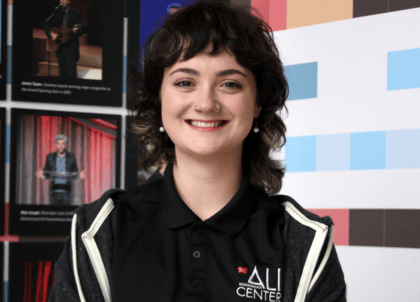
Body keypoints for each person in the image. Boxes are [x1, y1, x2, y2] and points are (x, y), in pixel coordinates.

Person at [48, 2, 346, 302]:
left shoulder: (305, 242)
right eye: (185, 82)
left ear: (258, 102)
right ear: (158, 98)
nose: (205, 103)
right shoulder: (100, 230)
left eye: (230, 84)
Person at [36, 134, 85, 205]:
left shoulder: (71, 157)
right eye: (58, 144)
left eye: (62, 144)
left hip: (67, 191)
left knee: (65, 214)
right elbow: (47, 174)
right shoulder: (50, 157)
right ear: (56, 144)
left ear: (65, 145)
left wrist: (80, 176)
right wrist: (42, 175)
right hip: (54, 191)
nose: (60, 146)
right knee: (54, 214)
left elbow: (75, 174)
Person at [43, 0, 84, 78]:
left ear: (68, 1)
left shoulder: (75, 13)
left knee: (71, 74)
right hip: (59, 46)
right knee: (62, 74)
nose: (61, 1)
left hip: (71, 48)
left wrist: (76, 31)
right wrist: (51, 33)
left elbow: (81, 30)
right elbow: (45, 23)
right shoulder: (56, 12)